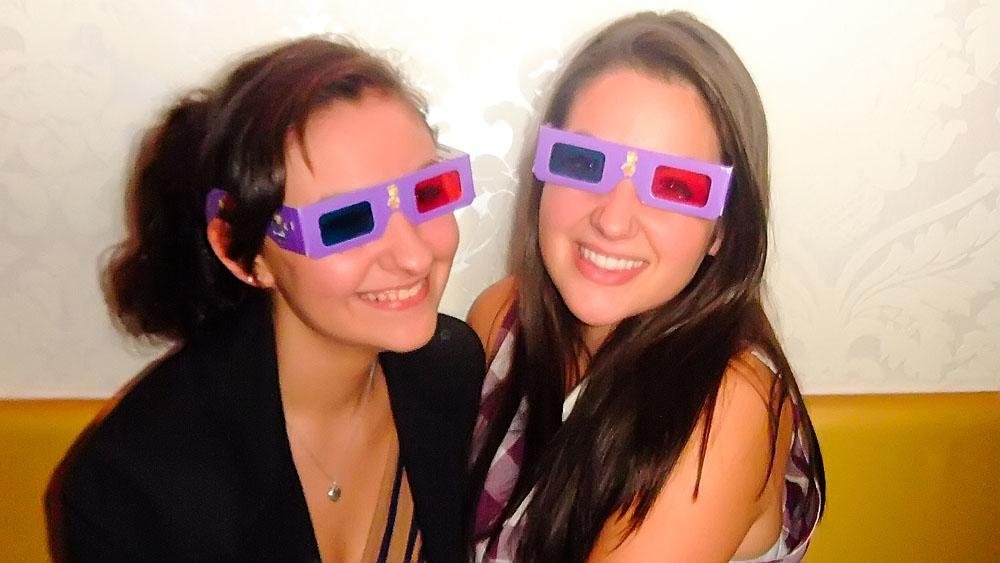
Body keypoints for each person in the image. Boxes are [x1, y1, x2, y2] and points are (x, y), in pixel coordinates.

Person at [46, 36, 484, 562]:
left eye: (428, 192)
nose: (413, 256)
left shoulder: (450, 370)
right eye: (344, 221)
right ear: (241, 251)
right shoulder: (135, 488)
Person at [467, 11, 825, 562]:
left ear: (723, 229)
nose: (613, 220)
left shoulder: (726, 410)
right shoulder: (501, 320)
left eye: (675, 186)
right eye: (584, 162)